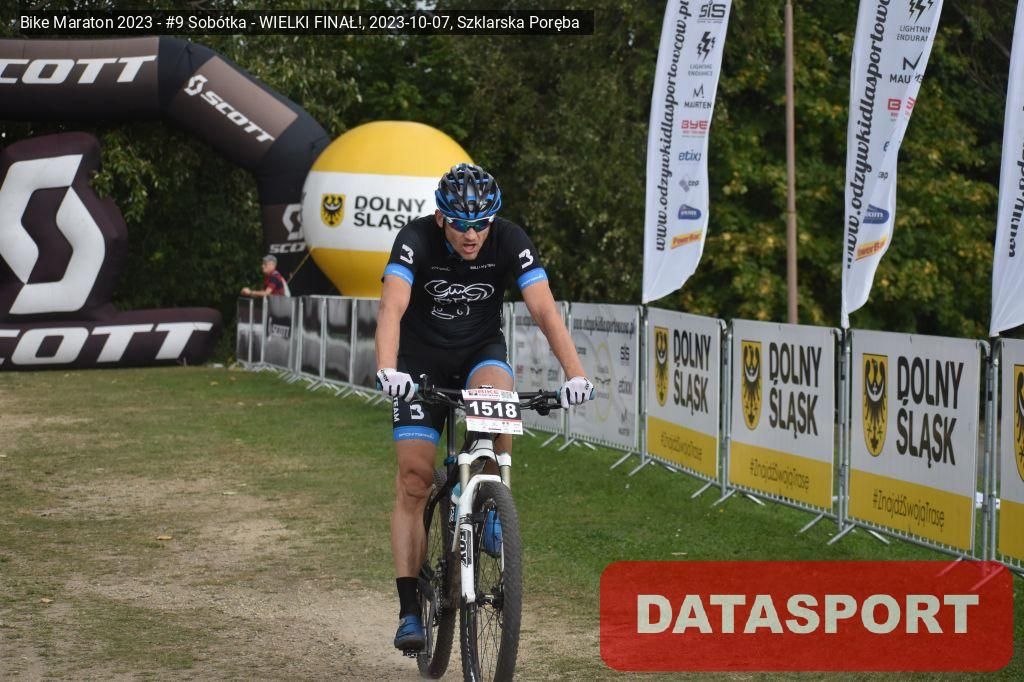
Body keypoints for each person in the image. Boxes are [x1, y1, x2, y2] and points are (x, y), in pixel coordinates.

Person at [375, 163, 594, 651]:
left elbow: (543, 308)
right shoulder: (415, 239)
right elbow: (392, 306)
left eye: (481, 224)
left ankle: (491, 499)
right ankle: (409, 610)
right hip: (420, 361)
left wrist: (575, 373)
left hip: (479, 353)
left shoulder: (509, 239)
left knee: (498, 396)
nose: (472, 235)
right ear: (440, 218)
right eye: (460, 224)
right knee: (414, 480)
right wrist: (389, 369)